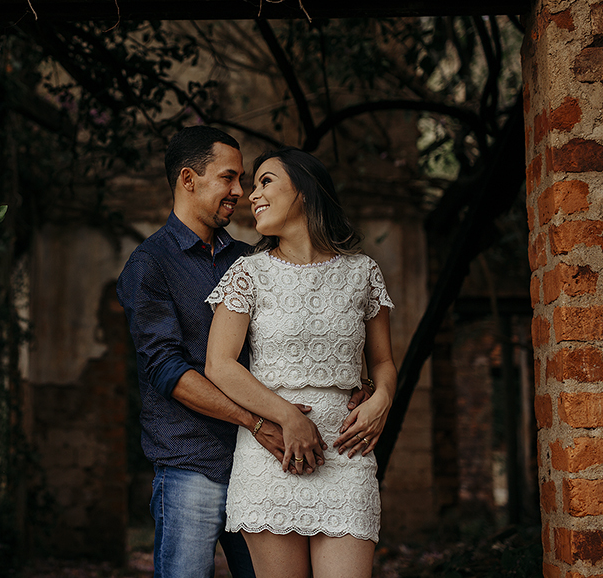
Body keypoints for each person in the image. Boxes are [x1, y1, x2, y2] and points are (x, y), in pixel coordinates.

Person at [117, 128, 369, 578]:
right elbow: (167, 369)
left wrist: (358, 383)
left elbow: (294, 337)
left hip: (265, 461)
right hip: (193, 462)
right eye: (228, 178)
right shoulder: (150, 263)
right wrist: (257, 422)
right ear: (188, 179)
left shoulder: (250, 259)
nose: (240, 191)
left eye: (244, 180)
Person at [204, 147, 398, 578]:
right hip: (272, 455)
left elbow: (383, 361)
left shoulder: (363, 272)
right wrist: (288, 417)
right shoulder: (247, 274)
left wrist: (382, 398)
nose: (252, 195)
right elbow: (219, 365)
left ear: (305, 191)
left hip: (347, 453)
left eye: (266, 181)